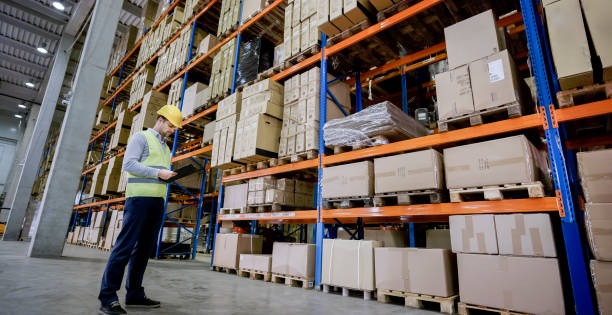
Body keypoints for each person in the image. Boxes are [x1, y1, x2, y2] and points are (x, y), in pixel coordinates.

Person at [98, 105, 182, 315]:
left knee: (144, 250)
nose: (172, 130)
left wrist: (167, 176)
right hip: (138, 200)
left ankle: (134, 294)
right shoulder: (141, 138)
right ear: (161, 120)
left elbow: (157, 171)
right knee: (124, 247)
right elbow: (129, 164)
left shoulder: (165, 147)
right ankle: (107, 297)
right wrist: (158, 173)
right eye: (171, 125)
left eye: (175, 128)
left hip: (156, 202)